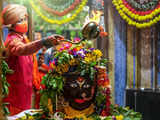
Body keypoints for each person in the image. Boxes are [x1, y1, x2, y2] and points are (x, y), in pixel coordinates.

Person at [2, 4, 64, 115]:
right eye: (23, 19)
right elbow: (22, 50)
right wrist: (43, 41)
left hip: (25, 91)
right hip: (16, 95)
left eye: (26, 19)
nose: (26, 22)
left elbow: (28, 53)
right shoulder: (12, 40)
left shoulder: (23, 38)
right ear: (12, 23)